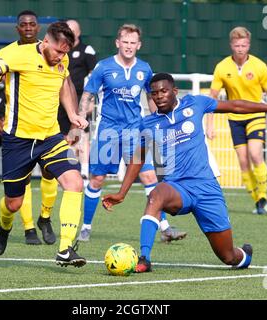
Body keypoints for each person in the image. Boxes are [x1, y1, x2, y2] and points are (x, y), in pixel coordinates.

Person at [102, 73, 267, 272]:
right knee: (155, 195)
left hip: (206, 189)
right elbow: (138, 158)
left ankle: (244, 255)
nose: (159, 96)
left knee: (228, 256)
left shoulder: (195, 104)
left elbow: (235, 105)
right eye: (154, 94)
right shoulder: (148, 123)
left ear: (174, 91)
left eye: (163, 91)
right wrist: (121, 193)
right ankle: (144, 258)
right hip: (177, 188)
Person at [0, 21, 89, 267]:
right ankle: (4, 227)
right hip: (18, 141)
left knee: (74, 183)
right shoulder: (17, 54)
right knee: (14, 203)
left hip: (51, 138)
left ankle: (65, 249)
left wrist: (72, 114)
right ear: (46, 41)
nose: (61, 57)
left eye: (66, 53)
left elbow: (64, 83)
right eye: (58, 51)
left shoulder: (62, 60)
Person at [77, 24, 187, 243]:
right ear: (118, 43)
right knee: (97, 179)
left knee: (149, 177)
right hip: (108, 131)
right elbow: (88, 94)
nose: (128, 46)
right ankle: (86, 227)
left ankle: (165, 228)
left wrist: (158, 121)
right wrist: (80, 119)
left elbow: (151, 96)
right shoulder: (103, 67)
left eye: (132, 43)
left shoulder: (144, 69)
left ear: (139, 45)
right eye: (125, 42)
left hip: (135, 132)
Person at [0, 10, 59, 246]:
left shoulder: (51, 49)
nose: (28, 28)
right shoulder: (8, 53)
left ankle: (45, 218)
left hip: (49, 129)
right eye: (23, 25)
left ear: (38, 28)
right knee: (15, 197)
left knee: (55, 173)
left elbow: (65, 80)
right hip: (18, 132)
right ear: (17, 28)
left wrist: (73, 113)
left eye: (32, 24)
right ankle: (13, 227)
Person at [208, 26, 267, 215]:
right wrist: (210, 124)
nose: (240, 49)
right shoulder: (222, 67)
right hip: (235, 118)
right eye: (237, 45)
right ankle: (257, 201)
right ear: (231, 45)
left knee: (256, 155)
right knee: (243, 161)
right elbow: (212, 96)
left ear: (249, 45)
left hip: (255, 114)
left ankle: (263, 197)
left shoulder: (259, 66)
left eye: (244, 45)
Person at [57, 20, 97, 180]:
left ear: (78, 33)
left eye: (72, 30)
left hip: (80, 98)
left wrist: (91, 101)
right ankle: (65, 169)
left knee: (81, 133)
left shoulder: (86, 50)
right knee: (62, 135)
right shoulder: (59, 50)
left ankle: (85, 171)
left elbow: (94, 76)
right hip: (59, 98)